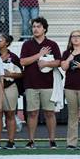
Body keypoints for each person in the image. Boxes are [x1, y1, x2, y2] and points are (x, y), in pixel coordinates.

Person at [20, 17, 61, 149]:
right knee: (32, 113)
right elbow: (23, 62)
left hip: (48, 84)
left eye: (38, 26)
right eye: (33, 26)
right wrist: (39, 55)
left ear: (44, 28)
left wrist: (46, 63)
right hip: (31, 84)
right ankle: (31, 141)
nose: (35, 29)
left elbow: (58, 62)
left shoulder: (52, 44)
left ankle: (52, 140)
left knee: (50, 113)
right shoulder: (27, 44)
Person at [0, 34, 23, 149]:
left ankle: (11, 142)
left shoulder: (14, 57)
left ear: (7, 43)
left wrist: (9, 74)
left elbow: (21, 73)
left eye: (0, 39)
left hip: (10, 86)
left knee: (10, 113)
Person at [61, 30, 80, 150]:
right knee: (72, 115)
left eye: (78, 36)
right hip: (70, 87)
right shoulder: (66, 53)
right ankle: (71, 142)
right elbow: (64, 67)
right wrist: (72, 55)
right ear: (70, 39)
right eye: (73, 36)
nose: (75, 38)